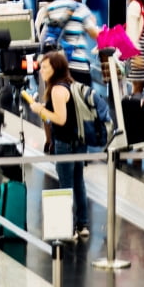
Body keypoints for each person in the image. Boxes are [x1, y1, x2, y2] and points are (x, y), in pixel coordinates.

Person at [30, 51, 89, 239]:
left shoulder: (56, 90)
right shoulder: (71, 84)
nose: (41, 71)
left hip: (65, 143)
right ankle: (82, 225)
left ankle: (68, 228)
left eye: (45, 67)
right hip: (80, 141)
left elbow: (60, 119)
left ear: (55, 68)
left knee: (66, 184)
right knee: (79, 182)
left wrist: (40, 110)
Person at [37, 0, 100, 86]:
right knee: (80, 101)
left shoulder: (49, 8)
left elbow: (43, 37)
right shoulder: (80, 8)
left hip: (54, 66)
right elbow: (94, 34)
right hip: (77, 66)